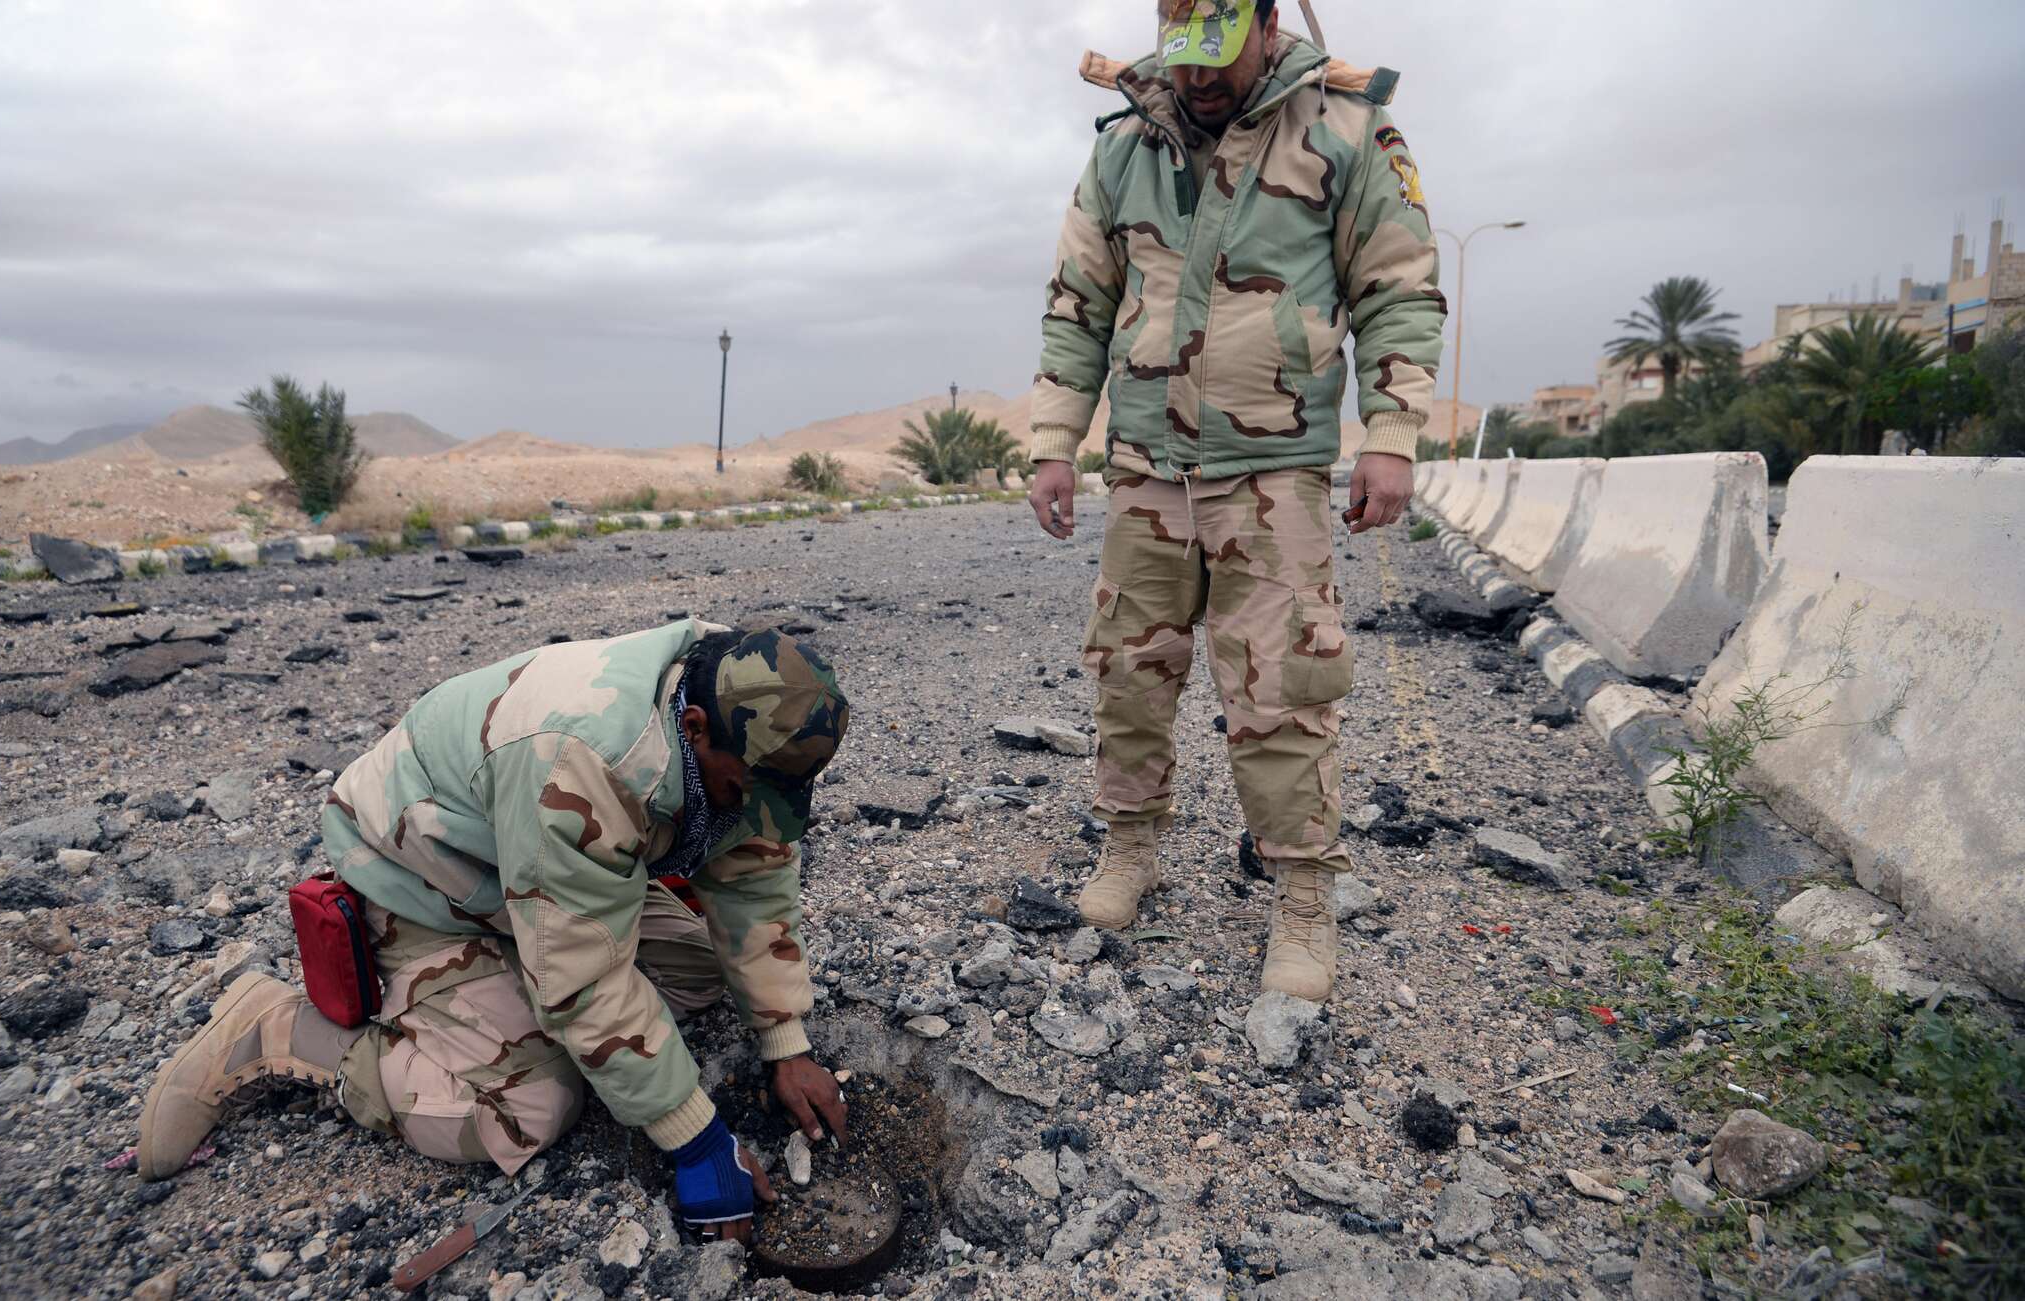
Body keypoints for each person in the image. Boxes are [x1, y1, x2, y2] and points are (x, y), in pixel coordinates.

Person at [137, 622, 851, 1244]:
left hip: (529, 867)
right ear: (693, 728)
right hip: (422, 876)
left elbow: (754, 874)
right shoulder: (585, 759)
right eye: (737, 792)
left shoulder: (746, 694)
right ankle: (283, 1028)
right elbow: (584, 984)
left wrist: (785, 1041)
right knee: (527, 1108)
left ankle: (501, 985)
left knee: (698, 974)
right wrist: (694, 1136)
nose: (752, 811)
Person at [1025, 1, 1443, 1001]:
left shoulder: (1345, 129)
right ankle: (1130, 847)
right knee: (1129, 669)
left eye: (1218, 58)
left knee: (1281, 689)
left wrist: (1389, 437)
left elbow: (1395, 287)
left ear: (1264, 26)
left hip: (1272, 469)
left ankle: (1301, 896)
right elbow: (1078, 301)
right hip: (1145, 465)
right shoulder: (1126, 145)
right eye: (1185, 60)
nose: (1200, 80)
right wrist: (1052, 442)